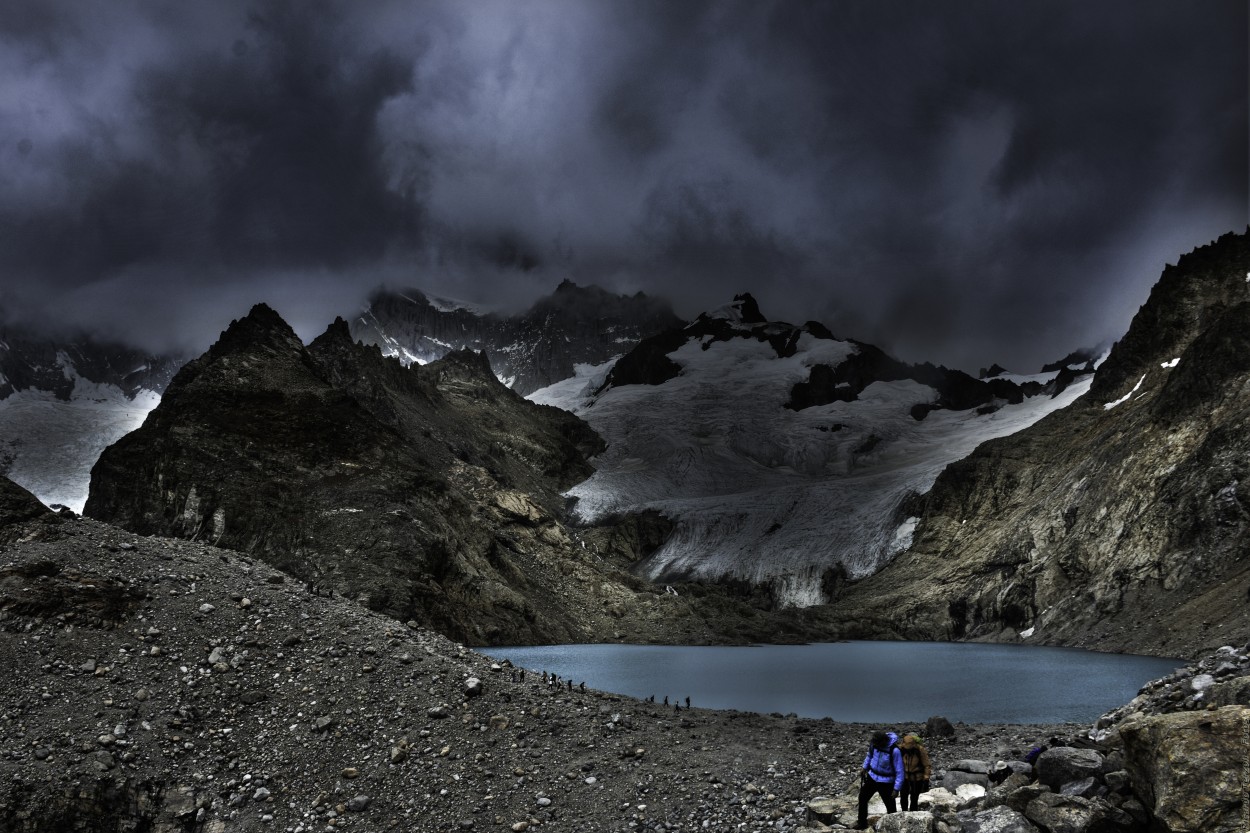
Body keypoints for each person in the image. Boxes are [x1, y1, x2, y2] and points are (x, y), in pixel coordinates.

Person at [856, 730, 902, 829]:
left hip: (886, 782)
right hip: (872, 777)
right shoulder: (874, 744)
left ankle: (893, 828)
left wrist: (896, 789)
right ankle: (862, 824)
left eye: (877, 743)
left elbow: (900, 771)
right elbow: (869, 756)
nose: (875, 744)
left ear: (883, 741)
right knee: (862, 798)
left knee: (890, 807)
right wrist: (864, 767)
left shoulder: (894, 751)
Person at [898, 733, 931, 811]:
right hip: (905, 776)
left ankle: (913, 812)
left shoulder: (920, 750)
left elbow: (926, 765)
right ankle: (904, 812)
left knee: (914, 797)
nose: (908, 749)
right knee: (903, 796)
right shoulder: (901, 749)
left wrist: (926, 778)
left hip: (917, 777)